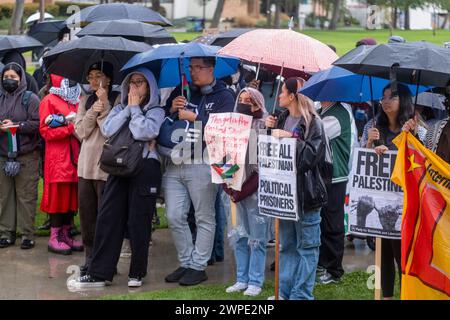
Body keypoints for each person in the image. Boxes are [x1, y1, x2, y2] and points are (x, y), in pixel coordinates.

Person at [70, 67, 164, 288]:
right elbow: (110, 129)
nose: (134, 87)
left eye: (140, 82)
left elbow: (144, 132)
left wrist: (135, 110)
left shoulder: (156, 110)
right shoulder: (121, 106)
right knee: (108, 218)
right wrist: (128, 109)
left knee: (138, 221)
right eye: (131, 82)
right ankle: (99, 272)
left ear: (149, 86)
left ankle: (137, 272)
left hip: (144, 167)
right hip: (117, 168)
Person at [162, 57, 235, 286]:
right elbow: (165, 120)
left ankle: (198, 265)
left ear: (211, 69)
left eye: (198, 67)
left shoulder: (224, 95)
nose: (193, 72)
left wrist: (196, 118)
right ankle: (186, 262)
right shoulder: (183, 90)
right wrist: (172, 108)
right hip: (175, 160)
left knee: (204, 216)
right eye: (190, 67)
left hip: (203, 162)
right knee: (174, 215)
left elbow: (225, 129)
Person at [265, 77, 327, 300]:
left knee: (307, 248)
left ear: (292, 96)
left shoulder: (313, 123)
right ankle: (284, 293)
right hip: (284, 196)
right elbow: (268, 155)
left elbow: (310, 157)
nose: (278, 96)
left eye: (282, 92)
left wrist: (290, 138)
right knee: (286, 247)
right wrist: (268, 130)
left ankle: (301, 295)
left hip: (307, 197)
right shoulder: (281, 118)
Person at [361, 83, 417, 299]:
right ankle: (386, 295)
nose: (385, 102)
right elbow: (361, 161)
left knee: (401, 252)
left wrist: (406, 137)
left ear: (403, 100)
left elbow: (419, 160)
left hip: (404, 201)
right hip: (379, 200)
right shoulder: (372, 127)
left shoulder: (414, 127)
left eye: (391, 98)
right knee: (382, 251)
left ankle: (406, 293)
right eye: (383, 98)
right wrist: (369, 143)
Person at [223, 87, 270, 297]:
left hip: (254, 188)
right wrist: (228, 185)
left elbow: (262, 163)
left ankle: (255, 280)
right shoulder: (230, 126)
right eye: (240, 99)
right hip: (233, 187)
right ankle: (241, 278)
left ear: (258, 102)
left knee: (257, 238)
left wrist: (244, 188)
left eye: (249, 100)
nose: (244, 103)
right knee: (238, 236)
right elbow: (222, 154)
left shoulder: (264, 124)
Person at [75, 62, 120, 276]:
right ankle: (89, 258)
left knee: (106, 217)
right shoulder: (85, 100)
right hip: (85, 168)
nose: (93, 81)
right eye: (90, 76)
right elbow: (81, 131)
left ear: (108, 79)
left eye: (99, 75)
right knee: (87, 216)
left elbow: (110, 130)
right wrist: (94, 109)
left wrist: (105, 105)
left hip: (106, 168)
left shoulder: (118, 99)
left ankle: (105, 261)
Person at [39, 75, 83, 255]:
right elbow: (45, 131)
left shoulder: (77, 99)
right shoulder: (48, 100)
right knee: (58, 197)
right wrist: (70, 128)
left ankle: (65, 234)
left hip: (75, 157)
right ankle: (54, 236)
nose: (71, 80)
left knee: (71, 197)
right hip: (58, 159)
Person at [0, 62, 40, 249]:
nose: (9, 80)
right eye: (6, 77)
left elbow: (38, 124)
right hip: (3, 155)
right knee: (4, 196)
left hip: (26, 155)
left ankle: (27, 235)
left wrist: (16, 126)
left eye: (13, 77)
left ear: (21, 79)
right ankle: (6, 233)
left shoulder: (30, 99)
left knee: (26, 196)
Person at [317, 100, 357, 284]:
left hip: (335, 176)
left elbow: (314, 134)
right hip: (325, 176)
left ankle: (334, 269)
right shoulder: (323, 110)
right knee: (323, 222)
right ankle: (323, 263)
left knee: (332, 224)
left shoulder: (337, 113)